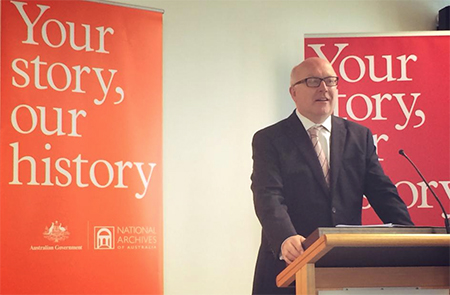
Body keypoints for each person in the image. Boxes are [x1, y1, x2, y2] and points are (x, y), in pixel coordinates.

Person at [250, 57, 413, 295]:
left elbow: (383, 192)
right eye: (313, 81)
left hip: (345, 268)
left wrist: (408, 235)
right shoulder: (270, 139)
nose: (324, 88)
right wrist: (285, 237)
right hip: (289, 265)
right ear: (293, 92)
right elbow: (268, 196)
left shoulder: (359, 136)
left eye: (330, 81)